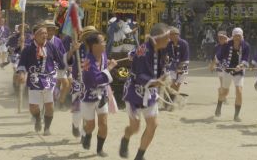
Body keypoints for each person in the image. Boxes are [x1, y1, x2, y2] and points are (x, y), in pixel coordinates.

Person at [119, 23, 170, 160]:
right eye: (167, 37)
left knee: (153, 125)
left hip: (150, 92)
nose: (169, 40)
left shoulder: (162, 49)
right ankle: (126, 137)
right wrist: (155, 82)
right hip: (135, 92)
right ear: (158, 38)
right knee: (135, 128)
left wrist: (165, 74)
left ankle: (139, 156)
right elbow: (140, 76)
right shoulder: (143, 51)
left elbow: (164, 66)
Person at [16, 24, 66, 136]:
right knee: (33, 106)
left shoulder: (51, 47)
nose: (45, 35)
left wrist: (63, 73)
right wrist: (22, 74)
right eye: (42, 33)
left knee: (49, 104)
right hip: (34, 79)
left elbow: (60, 61)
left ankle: (47, 128)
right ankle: (38, 119)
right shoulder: (28, 49)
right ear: (35, 36)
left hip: (49, 79)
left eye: (46, 33)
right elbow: (22, 64)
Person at [80, 32, 118, 157]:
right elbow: (95, 80)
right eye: (102, 41)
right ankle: (87, 134)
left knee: (104, 123)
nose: (105, 43)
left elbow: (102, 71)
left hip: (102, 95)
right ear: (94, 45)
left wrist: (107, 65)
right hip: (88, 96)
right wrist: (110, 68)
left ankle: (99, 149)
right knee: (90, 125)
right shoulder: (88, 62)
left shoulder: (103, 54)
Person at [215, 27, 250, 122]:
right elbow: (220, 56)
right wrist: (223, 64)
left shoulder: (246, 46)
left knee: (239, 91)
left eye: (239, 36)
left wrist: (241, 65)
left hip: (239, 71)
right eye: (235, 36)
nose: (237, 38)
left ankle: (236, 115)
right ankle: (219, 106)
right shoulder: (227, 45)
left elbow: (246, 59)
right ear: (233, 36)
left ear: (242, 36)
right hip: (228, 71)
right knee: (225, 92)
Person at [68, 26, 98, 138]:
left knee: (88, 110)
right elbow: (68, 61)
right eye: (89, 35)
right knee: (77, 111)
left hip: (92, 83)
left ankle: (85, 134)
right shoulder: (77, 47)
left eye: (93, 35)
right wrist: (72, 50)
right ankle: (75, 125)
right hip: (78, 81)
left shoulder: (97, 49)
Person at [44, 20, 70, 108]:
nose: (50, 32)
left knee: (66, 84)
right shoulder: (41, 40)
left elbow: (63, 54)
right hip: (46, 67)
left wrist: (66, 65)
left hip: (58, 66)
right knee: (49, 86)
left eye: (52, 30)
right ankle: (47, 103)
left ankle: (61, 101)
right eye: (48, 29)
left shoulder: (58, 41)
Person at [165, 27, 190, 104]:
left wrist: (179, 68)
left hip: (183, 65)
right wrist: (166, 57)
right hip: (172, 66)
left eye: (171, 35)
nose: (170, 36)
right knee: (172, 84)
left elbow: (186, 58)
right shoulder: (169, 44)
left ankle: (173, 100)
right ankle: (172, 100)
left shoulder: (184, 43)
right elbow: (166, 54)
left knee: (177, 85)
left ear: (177, 35)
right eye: (169, 35)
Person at [209, 31, 228, 107]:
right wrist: (212, 65)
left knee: (225, 84)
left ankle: (223, 95)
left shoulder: (229, 45)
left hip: (228, 67)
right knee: (223, 83)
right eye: (219, 38)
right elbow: (213, 57)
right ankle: (223, 97)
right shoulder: (216, 47)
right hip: (220, 67)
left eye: (222, 37)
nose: (220, 39)